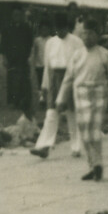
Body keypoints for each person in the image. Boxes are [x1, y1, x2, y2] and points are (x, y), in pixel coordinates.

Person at [56, 20, 108, 181]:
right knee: (84, 131)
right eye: (84, 33)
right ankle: (92, 165)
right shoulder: (77, 55)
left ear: (97, 35)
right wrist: (61, 98)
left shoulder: (105, 54)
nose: (87, 37)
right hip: (80, 94)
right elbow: (68, 79)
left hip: (98, 94)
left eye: (90, 33)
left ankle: (98, 164)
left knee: (94, 130)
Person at [31, 14, 81, 159]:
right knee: (51, 113)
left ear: (67, 27)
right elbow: (47, 67)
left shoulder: (76, 42)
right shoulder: (51, 43)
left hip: (71, 78)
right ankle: (44, 146)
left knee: (72, 114)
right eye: (57, 29)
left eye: (62, 29)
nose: (60, 32)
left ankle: (76, 146)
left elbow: (81, 64)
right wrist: (44, 87)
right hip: (54, 78)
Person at [0, 7, 35, 117]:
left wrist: (29, 56)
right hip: (11, 59)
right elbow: (3, 44)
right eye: (15, 15)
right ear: (12, 16)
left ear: (22, 16)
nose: (17, 17)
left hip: (23, 59)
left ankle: (23, 102)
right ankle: (13, 102)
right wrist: (4, 58)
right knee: (12, 81)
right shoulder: (7, 28)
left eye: (19, 15)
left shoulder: (27, 28)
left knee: (24, 81)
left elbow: (30, 44)